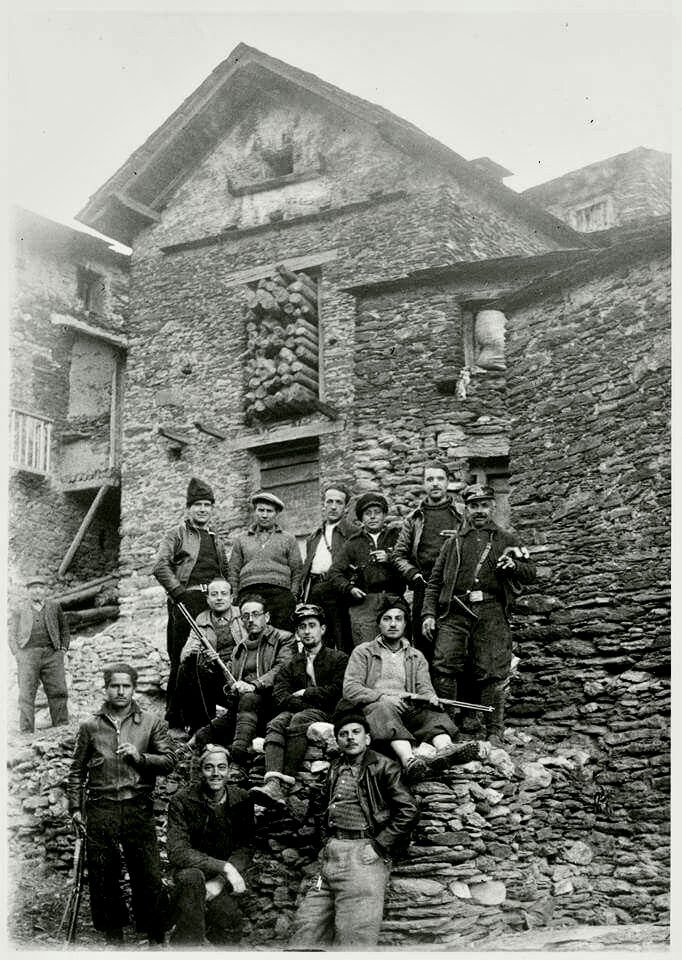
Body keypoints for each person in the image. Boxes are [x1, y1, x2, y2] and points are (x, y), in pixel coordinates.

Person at [67, 663, 174, 946]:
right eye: (115, 685)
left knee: (148, 875)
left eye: (126, 686)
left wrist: (140, 757)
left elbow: (168, 762)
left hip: (138, 807)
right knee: (104, 876)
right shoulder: (90, 726)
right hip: (101, 809)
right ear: (106, 688)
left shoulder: (151, 722)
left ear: (134, 688)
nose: (121, 691)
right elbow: (77, 771)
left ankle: (156, 938)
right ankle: (114, 940)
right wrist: (75, 808)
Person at [290, 710, 418, 948]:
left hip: (363, 856)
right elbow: (320, 808)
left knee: (354, 937)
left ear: (367, 738)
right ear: (337, 741)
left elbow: (408, 809)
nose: (350, 738)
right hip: (329, 856)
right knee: (306, 925)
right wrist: (324, 841)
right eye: (343, 734)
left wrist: (379, 846)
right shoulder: (335, 767)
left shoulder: (383, 766)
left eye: (356, 733)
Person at [422, 483, 536, 745]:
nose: (479, 511)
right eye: (474, 506)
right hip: (455, 612)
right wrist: (429, 613)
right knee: (444, 665)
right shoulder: (453, 544)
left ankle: (494, 731)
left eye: (484, 505)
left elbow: (532, 573)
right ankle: (448, 727)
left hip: (491, 611)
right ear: (466, 509)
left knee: (493, 670)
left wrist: (514, 566)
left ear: (493, 507)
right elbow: (434, 582)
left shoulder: (507, 540)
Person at [342, 598, 481, 783]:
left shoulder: (416, 656)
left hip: (408, 708)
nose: (393, 624)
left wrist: (430, 697)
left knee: (433, 713)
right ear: (379, 624)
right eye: (387, 619)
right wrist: (382, 697)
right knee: (383, 710)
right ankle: (410, 762)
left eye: (398, 619)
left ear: (405, 624)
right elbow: (350, 689)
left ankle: (447, 751)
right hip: (374, 708)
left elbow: (424, 687)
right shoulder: (363, 652)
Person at [249, 603, 348, 808]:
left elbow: (337, 691)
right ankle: (272, 782)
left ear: (322, 629)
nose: (307, 631)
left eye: (312, 625)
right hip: (299, 710)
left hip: (328, 712)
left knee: (299, 719)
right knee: (276, 722)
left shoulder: (338, 659)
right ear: (297, 633)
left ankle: (285, 783)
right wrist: (302, 702)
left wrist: (307, 692)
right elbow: (280, 695)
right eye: (302, 627)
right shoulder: (292, 663)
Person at [153, 477, 229, 729]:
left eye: (207, 504)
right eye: (198, 504)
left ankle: (201, 718)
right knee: (181, 657)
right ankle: (174, 717)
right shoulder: (176, 534)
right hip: (186, 602)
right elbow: (160, 565)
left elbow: (225, 570)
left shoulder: (215, 538)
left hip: (211, 602)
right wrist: (178, 592)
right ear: (188, 508)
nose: (203, 509)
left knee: (207, 658)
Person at [191, 595, 295, 779]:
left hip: (273, 705)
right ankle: (198, 777)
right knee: (204, 734)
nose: (251, 620)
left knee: (249, 698)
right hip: (244, 710)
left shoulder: (284, 639)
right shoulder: (239, 648)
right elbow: (230, 682)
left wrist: (254, 685)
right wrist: (226, 681)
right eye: (245, 616)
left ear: (267, 617)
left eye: (256, 614)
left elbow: (282, 669)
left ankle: (238, 761)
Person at [166, 743, 254, 946]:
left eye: (222, 767)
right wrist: (224, 867)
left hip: (220, 879)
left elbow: (246, 846)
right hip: (188, 875)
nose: (216, 773)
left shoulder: (241, 799)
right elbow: (178, 851)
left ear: (229, 770)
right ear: (200, 770)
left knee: (228, 921)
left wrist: (221, 880)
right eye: (209, 767)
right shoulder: (182, 801)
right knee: (192, 879)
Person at [393, 460, 464, 661]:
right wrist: (413, 574)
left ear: (448, 482)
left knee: (456, 647)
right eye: (430, 479)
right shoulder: (414, 518)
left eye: (440, 478)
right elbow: (398, 555)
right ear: (424, 484)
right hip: (424, 588)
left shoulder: (462, 514)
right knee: (425, 646)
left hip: (455, 588)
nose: (435, 483)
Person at [327, 492, 405, 648]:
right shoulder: (353, 543)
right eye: (368, 514)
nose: (373, 517)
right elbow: (334, 573)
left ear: (384, 515)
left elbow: (410, 561)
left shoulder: (397, 537)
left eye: (377, 513)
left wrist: (390, 558)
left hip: (394, 599)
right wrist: (350, 588)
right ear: (361, 519)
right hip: (365, 602)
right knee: (368, 649)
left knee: (398, 647)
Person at [175, 578, 246, 734]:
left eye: (223, 594)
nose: (219, 598)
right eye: (214, 594)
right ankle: (200, 727)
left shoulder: (243, 615)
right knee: (185, 668)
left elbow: (253, 646)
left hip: (242, 673)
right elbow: (184, 655)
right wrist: (192, 652)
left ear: (232, 598)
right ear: (207, 599)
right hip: (216, 676)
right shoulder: (201, 620)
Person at [228, 491, 303, 632]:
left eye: (269, 511)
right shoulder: (241, 539)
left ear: (276, 514)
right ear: (254, 512)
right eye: (260, 510)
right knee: (252, 632)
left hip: (280, 592)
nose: (264, 515)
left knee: (283, 634)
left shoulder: (288, 539)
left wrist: (293, 595)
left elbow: (297, 570)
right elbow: (233, 570)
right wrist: (235, 596)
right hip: (249, 591)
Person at [9, 575, 70, 733]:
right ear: (28, 591)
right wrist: (17, 653)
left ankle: (61, 727)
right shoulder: (20, 609)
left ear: (45, 590)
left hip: (52, 654)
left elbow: (64, 629)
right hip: (28, 655)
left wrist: (62, 649)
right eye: (33, 587)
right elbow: (11, 634)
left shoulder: (54, 607)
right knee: (26, 693)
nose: (37, 590)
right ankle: (27, 731)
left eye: (41, 587)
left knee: (58, 690)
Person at [300, 483, 357, 651]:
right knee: (316, 640)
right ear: (323, 505)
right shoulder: (314, 536)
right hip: (315, 590)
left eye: (339, 502)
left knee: (341, 640)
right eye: (329, 501)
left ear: (346, 508)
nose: (333, 506)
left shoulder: (353, 533)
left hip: (338, 591)